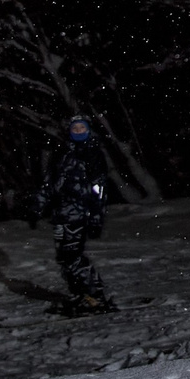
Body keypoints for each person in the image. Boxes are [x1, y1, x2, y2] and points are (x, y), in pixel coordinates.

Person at [38, 113, 115, 314]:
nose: (78, 132)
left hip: (80, 213)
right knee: (64, 257)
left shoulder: (92, 153)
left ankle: (94, 296)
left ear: (88, 130)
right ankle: (80, 294)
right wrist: (38, 204)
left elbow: (99, 187)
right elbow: (49, 183)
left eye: (82, 128)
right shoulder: (62, 153)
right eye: (75, 129)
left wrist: (97, 216)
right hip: (60, 214)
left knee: (73, 255)